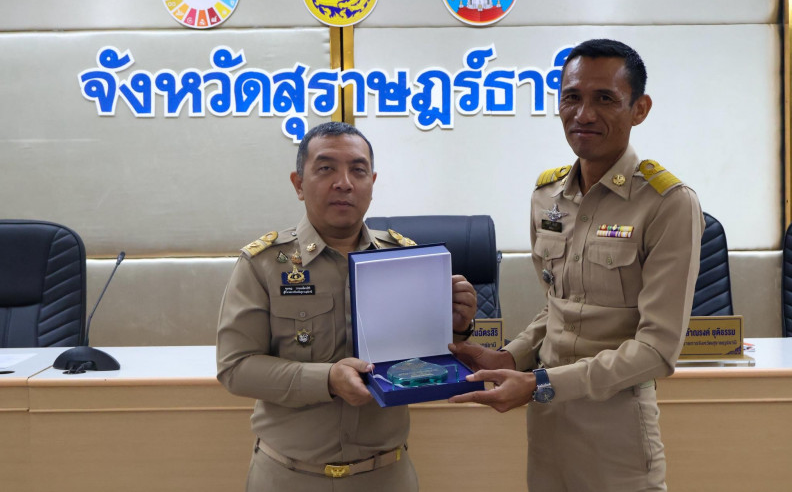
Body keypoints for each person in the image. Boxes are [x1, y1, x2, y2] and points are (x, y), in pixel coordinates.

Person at [449, 39, 704, 491]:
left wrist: (540, 383)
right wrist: (511, 355)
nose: (584, 114)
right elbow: (558, 305)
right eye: (572, 97)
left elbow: (657, 350)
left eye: (604, 98)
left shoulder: (668, 203)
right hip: (547, 424)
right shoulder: (547, 196)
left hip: (617, 429)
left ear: (639, 109)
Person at [216, 121, 477, 492]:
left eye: (358, 170)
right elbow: (236, 368)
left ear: (372, 182)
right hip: (289, 477)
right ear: (298, 184)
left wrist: (455, 328)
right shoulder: (264, 265)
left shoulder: (406, 259)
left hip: (385, 476)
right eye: (326, 169)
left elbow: (431, 362)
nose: (344, 183)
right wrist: (327, 380)